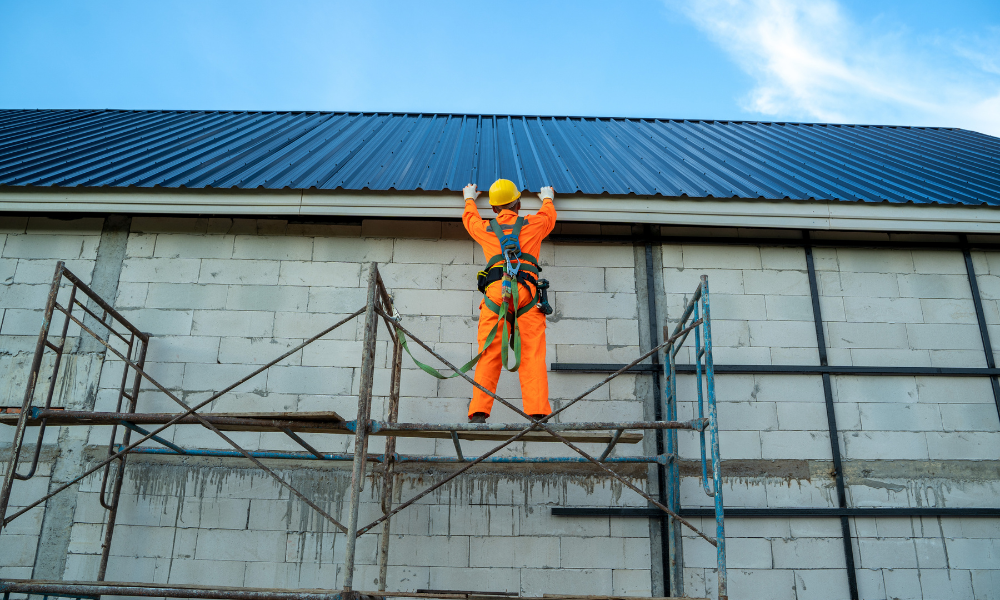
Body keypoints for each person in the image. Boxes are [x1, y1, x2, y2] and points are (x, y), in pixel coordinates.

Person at [462, 179, 556, 423]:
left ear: (493, 209)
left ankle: (479, 413)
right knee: (532, 352)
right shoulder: (533, 224)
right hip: (528, 293)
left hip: (497, 293)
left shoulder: (486, 228)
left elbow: (470, 221)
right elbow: (548, 217)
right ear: (519, 204)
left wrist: (469, 199)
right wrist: (547, 198)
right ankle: (537, 412)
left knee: (489, 351)